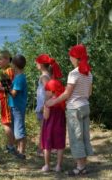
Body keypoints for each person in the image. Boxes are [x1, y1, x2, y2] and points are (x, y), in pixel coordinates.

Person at [46, 44, 93, 176]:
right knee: (84, 137)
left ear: (76, 58)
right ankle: (83, 165)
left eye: (71, 56)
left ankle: (79, 167)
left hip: (74, 108)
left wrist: (53, 102)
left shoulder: (74, 73)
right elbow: (88, 93)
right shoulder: (89, 73)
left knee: (76, 137)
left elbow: (67, 94)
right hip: (85, 106)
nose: (69, 58)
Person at [35, 54, 63, 155]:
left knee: (43, 128)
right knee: (46, 127)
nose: (36, 64)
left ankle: (42, 148)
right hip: (45, 106)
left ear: (41, 65)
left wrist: (45, 105)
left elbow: (49, 92)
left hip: (44, 106)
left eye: (37, 62)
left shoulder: (44, 77)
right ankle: (48, 147)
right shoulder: (47, 76)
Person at [41, 79, 66, 172]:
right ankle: (58, 166)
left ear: (52, 91)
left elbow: (46, 116)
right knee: (60, 146)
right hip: (60, 127)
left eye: (46, 90)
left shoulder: (48, 102)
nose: (45, 92)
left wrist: (44, 108)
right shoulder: (61, 102)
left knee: (47, 146)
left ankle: (47, 165)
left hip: (49, 128)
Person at [8, 54, 28, 160]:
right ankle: (19, 150)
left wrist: (7, 87)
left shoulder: (20, 78)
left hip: (18, 107)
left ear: (15, 65)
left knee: (19, 130)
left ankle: (21, 152)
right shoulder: (17, 76)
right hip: (14, 106)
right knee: (17, 128)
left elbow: (14, 93)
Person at [0, 50, 15, 153]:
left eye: (1, 59)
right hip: (5, 99)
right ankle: (11, 144)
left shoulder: (8, 71)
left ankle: (11, 145)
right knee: (7, 123)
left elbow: (7, 88)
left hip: (6, 99)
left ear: (7, 59)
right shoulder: (8, 71)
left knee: (6, 123)